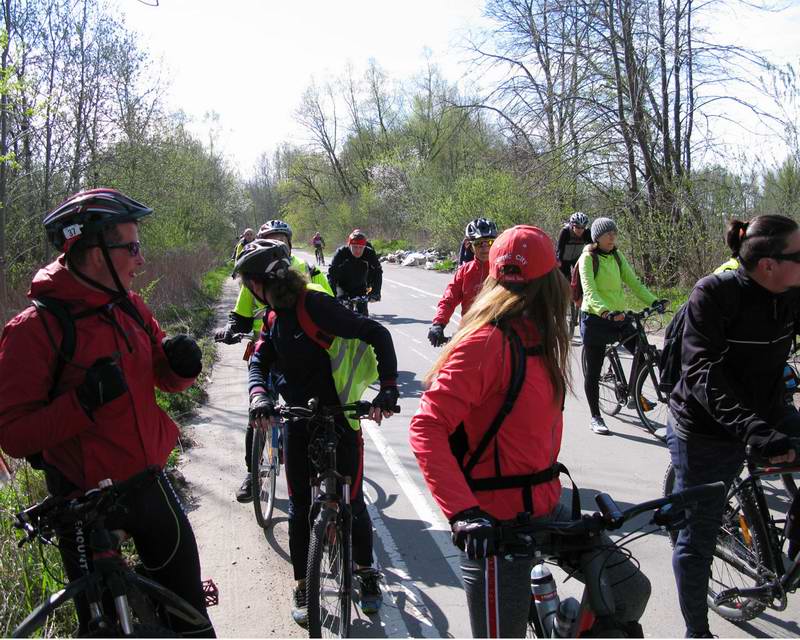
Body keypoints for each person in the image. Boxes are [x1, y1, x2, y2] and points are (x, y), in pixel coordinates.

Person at [409, 225, 651, 638]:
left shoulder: (540, 336)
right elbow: (427, 426)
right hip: (495, 523)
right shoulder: (486, 343)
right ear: (551, 283)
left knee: (628, 591)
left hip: (546, 503)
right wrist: (465, 515)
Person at [0, 189, 215, 637]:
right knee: (103, 631)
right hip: (83, 507)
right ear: (94, 251)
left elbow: (164, 379)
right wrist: (81, 404)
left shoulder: (130, 308)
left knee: (191, 616)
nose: (141, 260)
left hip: (148, 482)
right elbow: (14, 436)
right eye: (132, 247)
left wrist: (183, 368)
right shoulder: (34, 330)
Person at [235, 239, 399, 627]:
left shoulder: (315, 305)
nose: (246, 292)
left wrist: (388, 388)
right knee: (298, 508)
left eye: (247, 284)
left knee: (353, 502)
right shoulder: (273, 319)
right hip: (297, 419)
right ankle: (302, 583)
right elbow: (259, 361)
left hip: (340, 415)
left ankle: (364, 570)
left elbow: (377, 334)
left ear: (263, 282)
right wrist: (259, 396)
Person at [667, 215, 800, 638]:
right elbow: (701, 371)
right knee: (697, 538)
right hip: (705, 425)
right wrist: (751, 429)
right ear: (768, 265)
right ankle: (697, 631)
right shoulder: (715, 294)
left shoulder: (793, 292)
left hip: (768, 407)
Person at [214, 219, 333, 503]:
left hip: (302, 357)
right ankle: (253, 474)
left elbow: (329, 306)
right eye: (272, 239)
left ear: (290, 245)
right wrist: (233, 329)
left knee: (311, 416)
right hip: (265, 354)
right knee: (257, 413)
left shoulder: (308, 271)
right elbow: (241, 314)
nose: (278, 244)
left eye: (282, 240)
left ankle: (318, 472)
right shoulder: (255, 273)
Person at [579, 217, 666, 435]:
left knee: (643, 353)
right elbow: (589, 291)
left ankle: (634, 395)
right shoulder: (587, 258)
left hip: (619, 318)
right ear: (597, 237)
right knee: (594, 371)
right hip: (596, 319)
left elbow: (634, 282)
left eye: (614, 233)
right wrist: (605, 312)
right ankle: (595, 417)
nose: (612, 237)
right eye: (608, 234)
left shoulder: (617, 256)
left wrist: (653, 301)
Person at [428, 218, 498, 347]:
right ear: (470, 246)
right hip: (469, 332)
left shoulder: (503, 270)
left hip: (498, 335)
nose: (485, 247)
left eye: (489, 242)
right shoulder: (465, 271)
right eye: (478, 243)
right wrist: (438, 324)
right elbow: (449, 299)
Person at [327, 229, 383, 315]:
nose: (358, 251)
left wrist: (376, 292)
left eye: (361, 247)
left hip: (360, 286)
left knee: (363, 315)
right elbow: (331, 274)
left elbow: (378, 272)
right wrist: (332, 294)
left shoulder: (369, 253)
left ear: (365, 246)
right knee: (342, 314)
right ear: (349, 245)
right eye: (355, 247)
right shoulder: (341, 252)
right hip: (342, 286)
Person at [555, 211, 592, 280]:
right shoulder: (565, 232)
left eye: (582, 227)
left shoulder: (587, 232)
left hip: (577, 258)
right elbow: (560, 249)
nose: (580, 230)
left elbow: (592, 248)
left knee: (580, 278)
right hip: (564, 259)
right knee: (565, 278)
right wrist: (559, 263)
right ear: (572, 225)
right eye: (577, 227)